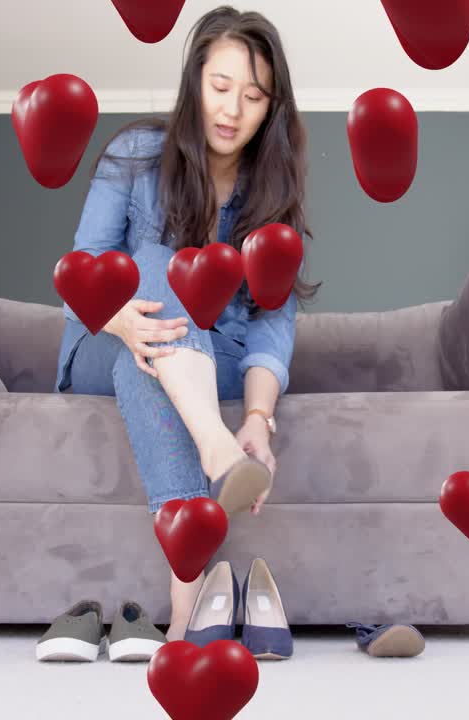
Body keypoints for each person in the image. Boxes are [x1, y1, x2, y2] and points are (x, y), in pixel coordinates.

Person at [53, 6, 320, 642]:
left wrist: (257, 417)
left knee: (163, 344)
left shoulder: (272, 197)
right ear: (194, 83)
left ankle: (184, 613)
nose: (231, 110)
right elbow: (80, 276)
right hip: (105, 338)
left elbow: (271, 325)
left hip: (203, 360)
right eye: (219, 87)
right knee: (158, 264)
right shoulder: (135, 153)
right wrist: (122, 320)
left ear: (271, 108)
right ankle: (214, 449)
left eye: (252, 96)